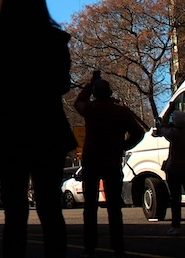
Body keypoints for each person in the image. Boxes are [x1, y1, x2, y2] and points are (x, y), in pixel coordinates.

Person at [0, 0, 72, 258]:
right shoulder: (55, 40)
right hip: (47, 128)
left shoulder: (0, 40)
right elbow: (63, 85)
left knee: (14, 211)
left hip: (9, 129)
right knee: (50, 208)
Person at [73, 72, 146, 257]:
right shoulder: (121, 111)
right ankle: (117, 245)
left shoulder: (91, 109)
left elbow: (77, 102)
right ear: (110, 92)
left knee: (90, 206)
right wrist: (123, 146)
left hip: (91, 161)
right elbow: (138, 132)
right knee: (114, 206)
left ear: (96, 94)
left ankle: (90, 245)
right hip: (112, 160)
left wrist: (90, 84)